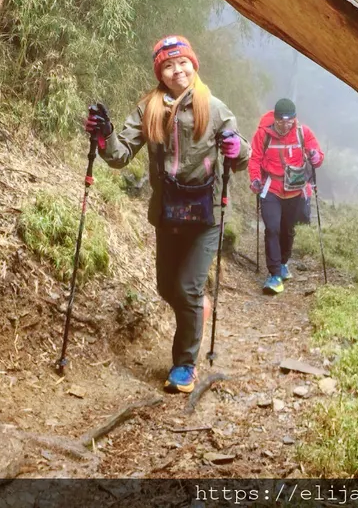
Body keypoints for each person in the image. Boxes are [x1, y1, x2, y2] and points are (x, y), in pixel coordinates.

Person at [84, 35, 250, 393]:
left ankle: (184, 365)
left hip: (207, 215)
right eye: (168, 65)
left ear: (194, 64)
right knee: (166, 287)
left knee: (187, 288)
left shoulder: (216, 108)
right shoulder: (149, 110)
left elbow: (241, 156)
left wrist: (238, 148)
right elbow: (119, 155)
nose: (177, 70)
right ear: (160, 72)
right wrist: (105, 134)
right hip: (168, 212)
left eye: (183, 63)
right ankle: (194, 308)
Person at [248, 98, 324, 294]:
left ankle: (283, 262)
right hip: (271, 188)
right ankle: (274, 275)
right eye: (281, 121)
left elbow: (318, 156)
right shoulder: (263, 134)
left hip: (295, 189)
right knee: (272, 229)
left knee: (287, 230)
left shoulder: (302, 133)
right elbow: (255, 158)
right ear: (274, 118)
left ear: (295, 119)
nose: (284, 125)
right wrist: (255, 179)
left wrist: (316, 156)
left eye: (289, 121)